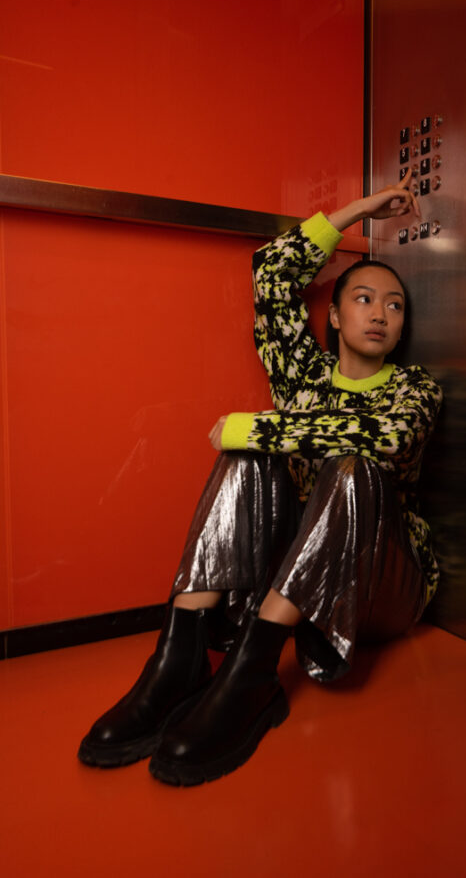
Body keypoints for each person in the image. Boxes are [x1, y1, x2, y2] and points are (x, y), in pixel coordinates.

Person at [78, 170, 443, 787]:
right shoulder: (304, 376)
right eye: (362, 298)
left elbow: (385, 438)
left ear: (402, 327)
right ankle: (180, 656)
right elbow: (274, 273)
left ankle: (253, 670)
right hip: (297, 578)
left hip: (384, 584)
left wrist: (256, 427)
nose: (379, 313)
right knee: (247, 458)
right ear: (333, 317)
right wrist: (365, 209)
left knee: (351, 468)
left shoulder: (416, 387)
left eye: (394, 305)